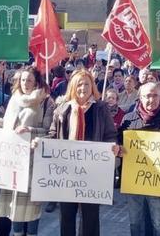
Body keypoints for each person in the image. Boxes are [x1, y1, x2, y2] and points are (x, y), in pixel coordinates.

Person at [0, 68, 50, 236]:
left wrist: (29, 130)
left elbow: (49, 130)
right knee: (14, 206)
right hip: (13, 160)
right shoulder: (15, 100)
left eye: (30, 80)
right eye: (23, 80)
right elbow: (8, 127)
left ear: (36, 82)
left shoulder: (45, 101)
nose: (25, 83)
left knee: (31, 208)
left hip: (33, 160)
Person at [46, 70, 118, 236]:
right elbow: (52, 134)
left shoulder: (101, 108)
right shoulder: (62, 109)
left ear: (92, 86)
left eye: (87, 84)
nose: (83, 88)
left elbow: (110, 134)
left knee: (90, 218)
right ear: (73, 86)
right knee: (66, 216)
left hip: (91, 174)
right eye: (79, 84)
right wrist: (40, 143)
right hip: (67, 172)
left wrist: (112, 146)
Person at [120, 82, 160, 236]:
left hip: (158, 182)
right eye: (148, 96)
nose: (151, 99)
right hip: (133, 181)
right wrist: (117, 148)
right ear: (140, 97)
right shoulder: (128, 119)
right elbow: (118, 141)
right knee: (135, 222)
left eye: (155, 95)